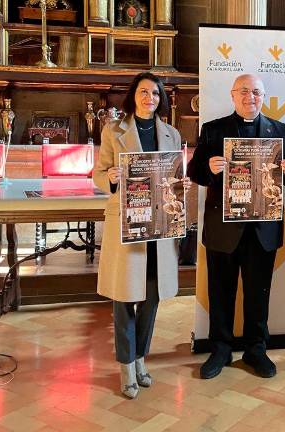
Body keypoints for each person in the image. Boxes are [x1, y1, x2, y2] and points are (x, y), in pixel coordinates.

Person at [190, 73, 285, 379]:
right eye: (244, 91)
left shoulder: (280, 130)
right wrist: (209, 169)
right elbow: (194, 172)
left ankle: (256, 349)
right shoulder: (213, 130)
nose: (250, 96)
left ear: (263, 96)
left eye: (256, 92)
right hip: (223, 229)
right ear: (232, 95)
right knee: (220, 291)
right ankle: (221, 349)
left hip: (262, 229)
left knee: (258, 293)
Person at [93, 72, 190, 399]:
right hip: (128, 224)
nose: (150, 98)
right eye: (144, 92)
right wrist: (111, 175)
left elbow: (173, 178)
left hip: (159, 227)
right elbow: (98, 174)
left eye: (155, 93)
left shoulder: (172, 134)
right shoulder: (114, 130)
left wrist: (181, 186)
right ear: (134, 95)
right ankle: (126, 366)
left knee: (152, 297)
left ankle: (140, 358)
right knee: (124, 300)